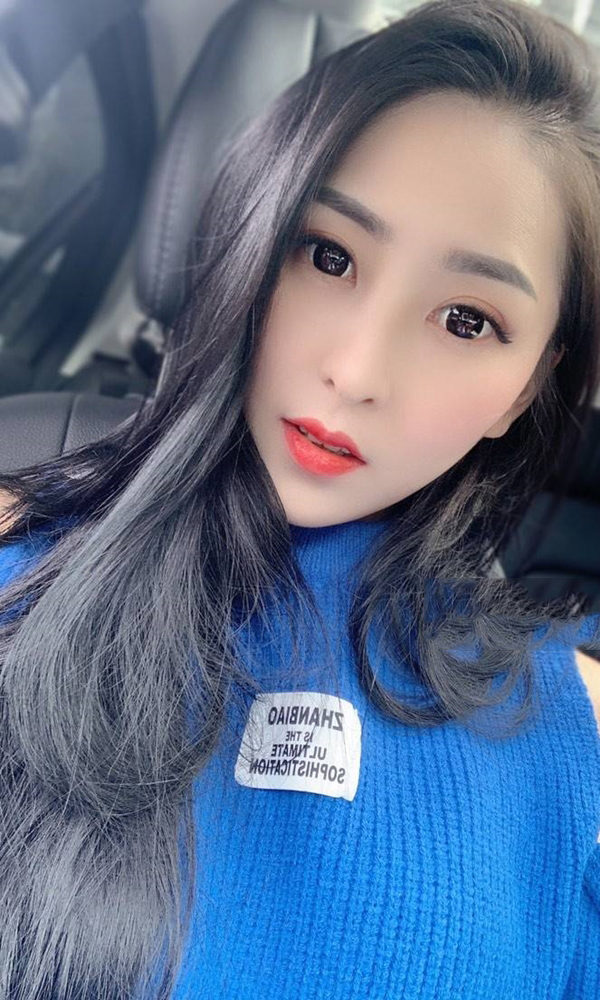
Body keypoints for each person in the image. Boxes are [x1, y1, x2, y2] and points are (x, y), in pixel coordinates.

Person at [0, 0, 599, 996]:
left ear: (527, 388)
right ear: (253, 233)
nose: (356, 371)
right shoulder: (23, 549)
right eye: (329, 255)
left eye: (466, 319)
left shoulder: (574, 725)